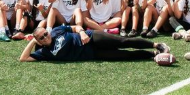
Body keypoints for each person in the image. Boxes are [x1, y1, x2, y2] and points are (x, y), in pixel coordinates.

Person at [19, 24, 171, 62]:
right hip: (92, 53)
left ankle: (156, 45)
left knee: (123, 41)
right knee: (123, 55)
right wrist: (32, 40)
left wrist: (82, 32)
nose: (45, 37)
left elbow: (75, 26)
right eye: (41, 38)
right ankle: (153, 54)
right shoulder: (44, 53)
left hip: (91, 38)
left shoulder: (57, 31)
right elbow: (23, 59)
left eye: (45, 33)